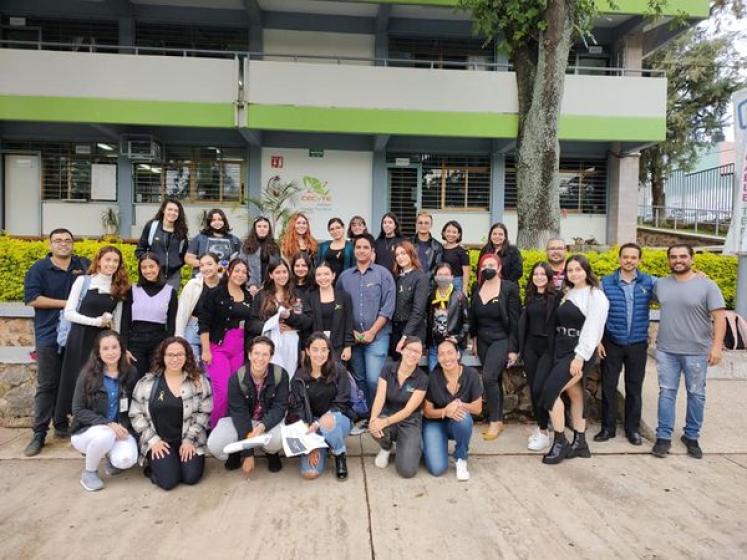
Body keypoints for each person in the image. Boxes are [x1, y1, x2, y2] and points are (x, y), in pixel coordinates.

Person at [651, 244, 726, 460]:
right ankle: (663, 437)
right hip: (666, 350)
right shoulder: (661, 285)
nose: (678, 260)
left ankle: (691, 436)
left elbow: (719, 318)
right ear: (668, 261)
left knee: (696, 394)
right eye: (673, 257)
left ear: (692, 258)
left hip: (696, 351)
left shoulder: (707, 285)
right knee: (666, 393)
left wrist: (716, 347)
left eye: (683, 256)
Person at [23, 228, 90, 456]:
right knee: (48, 383)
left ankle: (62, 423)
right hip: (49, 333)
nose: (63, 244)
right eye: (58, 241)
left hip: (78, 333)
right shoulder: (39, 269)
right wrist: (67, 304)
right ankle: (39, 433)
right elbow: (33, 299)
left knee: (73, 380)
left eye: (67, 240)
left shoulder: (83, 264)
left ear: (73, 243)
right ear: (50, 245)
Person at [539, 255, 609, 465]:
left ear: (587, 271)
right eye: (570, 270)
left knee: (550, 393)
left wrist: (580, 357)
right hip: (562, 348)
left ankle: (560, 442)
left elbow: (593, 326)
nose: (574, 273)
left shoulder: (595, 295)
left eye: (578, 269)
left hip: (577, 353)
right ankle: (580, 442)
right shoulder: (569, 292)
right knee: (575, 393)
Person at [55, 246, 129, 433]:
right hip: (80, 337)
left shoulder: (118, 287)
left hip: (103, 342)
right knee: (74, 377)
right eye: (108, 260)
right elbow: (69, 313)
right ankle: (61, 420)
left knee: (97, 381)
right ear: (99, 260)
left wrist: (121, 346)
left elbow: (117, 322)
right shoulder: (83, 281)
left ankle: (90, 420)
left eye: (115, 261)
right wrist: (95, 321)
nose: (111, 264)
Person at [129, 337, 213, 490]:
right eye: (170, 355)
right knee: (169, 482)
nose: (175, 359)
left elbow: (205, 412)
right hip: (160, 442)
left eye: (180, 354)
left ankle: (173, 464)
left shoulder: (198, 381)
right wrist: (153, 441)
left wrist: (189, 440)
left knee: (191, 478)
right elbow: (135, 415)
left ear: (187, 356)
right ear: (162, 356)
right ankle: (155, 468)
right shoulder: (147, 383)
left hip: (189, 439)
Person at [596, 243, 656, 446]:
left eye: (633, 257)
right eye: (625, 257)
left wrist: (699, 276)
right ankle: (607, 428)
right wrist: (598, 340)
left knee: (634, 387)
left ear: (639, 260)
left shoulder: (649, 282)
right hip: (612, 342)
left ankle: (632, 429)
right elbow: (597, 314)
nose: (629, 260)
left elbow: (675, 287)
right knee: (609, 386)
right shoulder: (606, 283)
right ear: (619, 258)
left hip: (637, 344)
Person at [207, 336, 289, 475]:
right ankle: (237, 450)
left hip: (266, 420)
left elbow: (280, 407)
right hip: (243, 420)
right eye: (256, 353)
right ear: (250, 355)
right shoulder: (236, 378)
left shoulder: (280, 375)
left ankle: (271, 452)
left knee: (279, 439)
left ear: (271, 357)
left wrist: (263, 425)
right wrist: (248, 454)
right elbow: (240, 415)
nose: (260, 358)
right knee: (215, 444)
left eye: (265, 354)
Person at [70, 331, 138, 491]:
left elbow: (134, 405)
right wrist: (109, 424)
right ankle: (90, 473)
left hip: (118, 429)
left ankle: (110, 456)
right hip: (88, 431)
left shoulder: (130, 373)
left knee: (126, 460)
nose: (111, 352)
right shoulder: (87, 374)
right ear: (98, 352)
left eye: (114, 347)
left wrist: (127, 428)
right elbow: (78, 410)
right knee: (106, 434)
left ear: (122, 349)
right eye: (105, 348)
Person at [338, 233, 395, 408]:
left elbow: (388, 307)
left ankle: (378, 414)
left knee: (373, 379)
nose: (362, 251)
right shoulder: (344, 277)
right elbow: (339, 307)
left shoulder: (383, 274)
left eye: (365, 248)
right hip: (353, 338)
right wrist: (352, 333)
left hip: (377, 337)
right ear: (354, 251)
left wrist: (371, 332)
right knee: (359, 379)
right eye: (358, 247)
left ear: (372, 251)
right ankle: (365, 414)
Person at [287, 333, 354, 480]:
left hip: (337, 420)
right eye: (315, 349)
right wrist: (310, 443)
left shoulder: (338, 371)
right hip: (312, 425)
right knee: (310, 473)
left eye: (324, 349)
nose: (320, 354)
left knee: (327, 422)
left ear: (329, 351)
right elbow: (297, 408)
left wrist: (320, 423)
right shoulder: (299, 377)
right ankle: (322, 444)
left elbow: (343, 403)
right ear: (308, 351)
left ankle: (339, 453)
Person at [469, 253, 520, 441]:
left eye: (491, 264)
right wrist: (474, 340)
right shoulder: (477, 286)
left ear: (499, 268)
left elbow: (515, 321)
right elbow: (473, 318)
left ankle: (495, 421)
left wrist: (513, 349)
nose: (487, 268)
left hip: (502, 339)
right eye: (484, 265)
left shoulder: (509, 288)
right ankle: (498, 420)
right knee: (495, 379)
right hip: (483, 340)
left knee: (489, 377)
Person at [198, 258, 254, 427]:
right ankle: (215, 428)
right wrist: (206, 350)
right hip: (219, 347)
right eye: (237, 270)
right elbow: (204, 323)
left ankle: (231, 428)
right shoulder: (214, 293)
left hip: (239, 348)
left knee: (236, 391)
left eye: (244, 272)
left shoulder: (248, 296)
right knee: (222, 391)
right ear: (229, 271)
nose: (240, 275)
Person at [422, 340, 483, 481]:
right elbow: (427, 412)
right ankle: (428, 444)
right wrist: (445, 411)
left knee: (463, 417)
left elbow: (477, 408)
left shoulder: (471, 374)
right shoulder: (433, 378)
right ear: (437, 358)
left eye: (450, 353)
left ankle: (461, 458)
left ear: (458, 354)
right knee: (437, 469)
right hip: (435, 422)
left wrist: (459, 404)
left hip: (456, 422)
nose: (446, 358)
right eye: (441, 354)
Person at [369, 336, 428, 479]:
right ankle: (386, 447)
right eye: (410, 349)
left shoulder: (422, 379)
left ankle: (409, 444)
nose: (413, 354)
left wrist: (384, 422)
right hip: (388, 414)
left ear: (421, 356)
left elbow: (408, 410)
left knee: (407, 471)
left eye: (418, 352)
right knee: (375, 425)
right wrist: (373, 421)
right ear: (402, 350)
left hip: (409, 421)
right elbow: (380, 397)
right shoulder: (388, 369)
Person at [518, 262, 561, 452]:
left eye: (543, 274)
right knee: (533, 390)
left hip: (548, 348)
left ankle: (546, 431)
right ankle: (542, 429)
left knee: (540, 388)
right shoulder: (529, 297)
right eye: (535, 274)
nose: (539, 277)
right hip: (530, 347)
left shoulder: (557, 297)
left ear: (549, 277)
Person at [247, 258, 312, 377]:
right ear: (271, 275)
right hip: (268, 345)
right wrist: (273, 326)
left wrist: (290, 316)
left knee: (288, 378)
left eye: (284, 272)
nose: (282, 276)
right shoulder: (262, 296)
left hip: (292, 345)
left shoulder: (297, 295)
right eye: (277, 272)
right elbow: (251, 323)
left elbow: (308, 320)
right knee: (271, 378)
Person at [120, 253, 177, 386]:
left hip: (158, 343)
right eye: (144, 267)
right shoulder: (132, 290)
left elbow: (171, 324)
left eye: (151, 266)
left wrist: (167, 348)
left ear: (158, 267)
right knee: (135, 381)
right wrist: (124, 348)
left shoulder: (170, 292)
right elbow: (125, 320)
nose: (148, 270)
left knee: (156, 382)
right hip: (135, 343)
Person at [174, 253, 222, 360]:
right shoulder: (193, 284)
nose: (205, 268)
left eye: (209, 264)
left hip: (215, 331)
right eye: (202, 265)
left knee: (211, 369)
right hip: (193, 327)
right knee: (193, 366)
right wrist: (179, 336)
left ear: (218, 265)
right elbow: (182, 312)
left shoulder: (225, 285)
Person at [135, 197, 188, 290]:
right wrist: (149, 265)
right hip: (153, 274)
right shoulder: (152, 226)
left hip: (173, 276)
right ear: (163, 210)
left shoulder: (181, 231)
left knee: (170, 302)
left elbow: (184, 254)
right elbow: (140, 250)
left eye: (176, 211)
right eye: (170, 209)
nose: (172, 213)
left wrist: (176, 264)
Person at [304, 262, 354, 361]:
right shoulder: (310, 296)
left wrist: (348, 346)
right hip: (316, 348)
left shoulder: (344, 297)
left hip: (338, 347)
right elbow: (307, 324)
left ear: (333, 275)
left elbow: (349, 323)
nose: (323, 278)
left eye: (326, 274)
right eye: (319, 275)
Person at [390, 241, 430, 358]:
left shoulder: (420, 277)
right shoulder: (397, 277)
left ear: (411, 254)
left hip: (413, 332)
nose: (400, 257)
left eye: (403, 253)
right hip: (396, 330)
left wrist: (405, 337)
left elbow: (418, 311)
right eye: (397, 255)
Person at [426, 262, 469, 372]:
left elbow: (467, 322)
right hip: (435, 345)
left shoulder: (459, 296)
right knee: (433, 376)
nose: (443, 277)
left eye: (446, 275)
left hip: (453, 344)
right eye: (440, 274)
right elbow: (426, 318)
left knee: (452, 375)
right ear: (435, 277)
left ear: (452, 277)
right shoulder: (431, 295)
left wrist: (458, 338)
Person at [184, 208, 241, 274]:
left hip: (226, 277)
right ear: (209, 222)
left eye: (220, 219)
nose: (217, 222)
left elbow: (241, 260)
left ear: (224, 221)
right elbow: (188, 258)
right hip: (203, 277)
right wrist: (206, 265)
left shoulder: (234, 239)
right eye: (213, 220)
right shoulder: (200, 238)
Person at [240, 216, 280, 296]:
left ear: (269, 229)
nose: (262, 229)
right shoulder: (246, 245)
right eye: (259, 226)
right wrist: (251, 284)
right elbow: (242, 266)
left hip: (269, 288)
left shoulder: (274, 246)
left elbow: (277, 267)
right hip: (250, 288)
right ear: (255, 229)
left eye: (265, 227)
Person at [440, 220, 471, 295]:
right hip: (441, 282)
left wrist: (464, 290)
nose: (451, 234)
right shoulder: (439, 248)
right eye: (448, 231)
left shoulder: (462, 251)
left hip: (456, 284)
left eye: (454, 232)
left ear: (459, 235)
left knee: (455, 306)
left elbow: (466, 273)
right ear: (444, 233)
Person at [410, 211, 443, 278]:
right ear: (416, 224)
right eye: (420, 223)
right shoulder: (408, 243)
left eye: (426, 223)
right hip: (410, 282)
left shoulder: (437, 246)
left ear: (431, 225)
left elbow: (437, 268)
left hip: (429, 284)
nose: (423, 225)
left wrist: (423, 279)